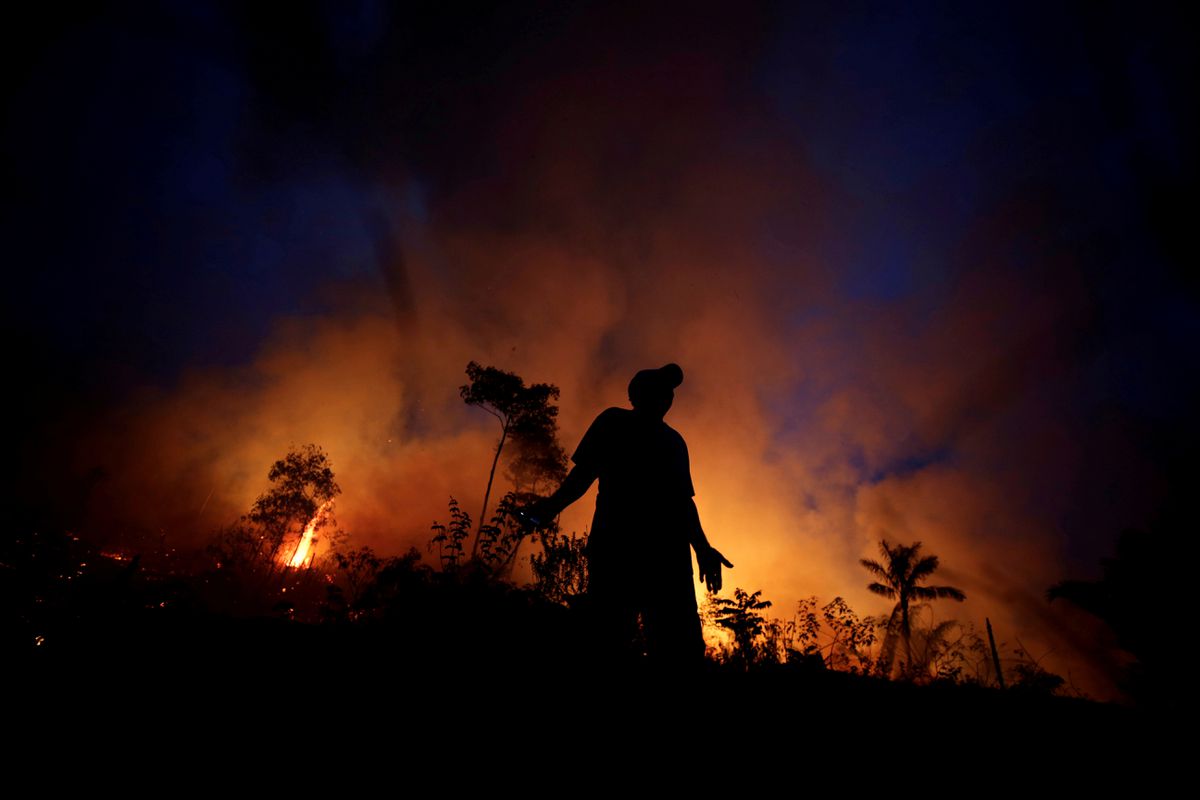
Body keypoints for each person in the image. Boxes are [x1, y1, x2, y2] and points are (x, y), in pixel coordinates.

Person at [524, 363, 732, 665]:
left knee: (678, 649)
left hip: (666, 560)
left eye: (669, 392)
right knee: (609, 640)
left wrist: (703, 548)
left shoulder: (674, 442)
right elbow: (582, 478)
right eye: (660, 390)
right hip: (619, 553)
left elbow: (682, 503)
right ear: (638, 395)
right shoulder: (614, 422)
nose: (667, 397)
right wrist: (546, 509)